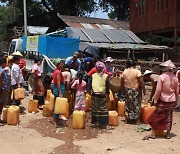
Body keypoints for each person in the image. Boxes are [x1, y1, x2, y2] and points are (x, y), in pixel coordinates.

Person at [146, 60, 179, 139]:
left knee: (157, 116)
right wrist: (176, 100)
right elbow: (177, 90)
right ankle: (167, 134)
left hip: (162, 99)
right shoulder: (175, 78)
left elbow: (158, 90)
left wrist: (155, 100)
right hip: (172, 99)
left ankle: (153, 134)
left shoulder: (162, 77)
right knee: (168, 117)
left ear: (165, 68)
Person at [121, 59, 146, 124]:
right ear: (134, 65)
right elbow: (141, 81)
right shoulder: (137, 71)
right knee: (136, 104)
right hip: (135, 90)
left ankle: (127, 119)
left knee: (128, 104)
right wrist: (144, 90)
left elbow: (122, 82)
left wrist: (123, 90)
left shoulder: (125, 72)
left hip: (127, 89)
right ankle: (137, 120)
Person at [90, 61, 112, 129]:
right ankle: (104, 124)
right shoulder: (106, 76)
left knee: (95, 109)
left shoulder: (93, 75)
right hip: (102, 95)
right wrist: (108, 95)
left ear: (96, 68)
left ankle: (95, 123)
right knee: (103, 110)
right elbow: (108, 86)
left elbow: (90, 85)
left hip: (94, 94)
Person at [52, 58, 66, 126]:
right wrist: (60, 92)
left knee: (56, 103)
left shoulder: (56, 71)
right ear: (58, 65)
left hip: (56, 88)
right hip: (58, 89)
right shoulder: (58, 72)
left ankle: (56, 119)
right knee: (57, 104)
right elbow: (58, 82)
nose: (62, 65)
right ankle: (55, 120)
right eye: (61, 64)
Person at [0, 58, 8, 126]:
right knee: (1, 103)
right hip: (2, 89)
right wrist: (2, 84)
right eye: (6, 63)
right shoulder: (1, 70)